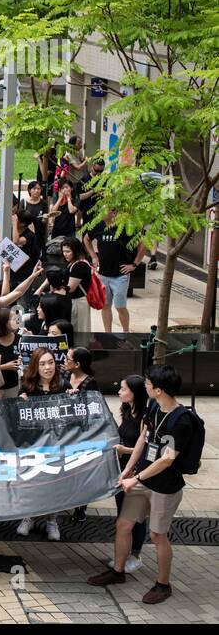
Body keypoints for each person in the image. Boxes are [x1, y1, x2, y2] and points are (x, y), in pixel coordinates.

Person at [89, 365, 199, 605]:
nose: (145, 386)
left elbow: (168, 459)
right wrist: (128, 469)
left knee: (157, 534)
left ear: (159, 390)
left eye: (148, 384)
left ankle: (163, 585)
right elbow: (144, 438)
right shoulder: (153, 407)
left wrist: (136, 478)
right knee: (123, 524)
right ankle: (118, 572)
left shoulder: (181, 421)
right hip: (142, 478)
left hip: (165, 486)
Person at [108, 374, 150, 574]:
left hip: (136, 473)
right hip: (122, 471)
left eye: (123, 389)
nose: (119, 392)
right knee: (123, 514)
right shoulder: (126, 410)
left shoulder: (145, 417)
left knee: (136, 516)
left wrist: (124, 451)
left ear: (135, 393)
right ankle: (122, 554)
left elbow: (148, 449)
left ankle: (136, 554)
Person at [84, 212, 147, 334]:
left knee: (120, 306)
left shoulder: (126, 226)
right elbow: (86, 239)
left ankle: (126, 332)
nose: (101, 213)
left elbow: (143, 244)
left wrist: (135, 264)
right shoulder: (98, 225)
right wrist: (93, 256)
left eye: (104, 210)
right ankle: (108, 334)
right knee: (105, 305)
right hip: (103, 273)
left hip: (120, 274)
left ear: (113, 213)